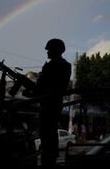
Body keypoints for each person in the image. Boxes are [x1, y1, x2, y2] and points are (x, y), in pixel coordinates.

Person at [34, 38, 71, 168]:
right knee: (49, 134)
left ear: (56, 50)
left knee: (47, 134)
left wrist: (43, 73)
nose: (47, 52)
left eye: (49, 49)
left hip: (49, 105)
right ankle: (50, 158)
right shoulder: (66, 65)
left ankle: (48, 160)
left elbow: (40, 88)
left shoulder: (51, 66)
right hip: (54, 104)